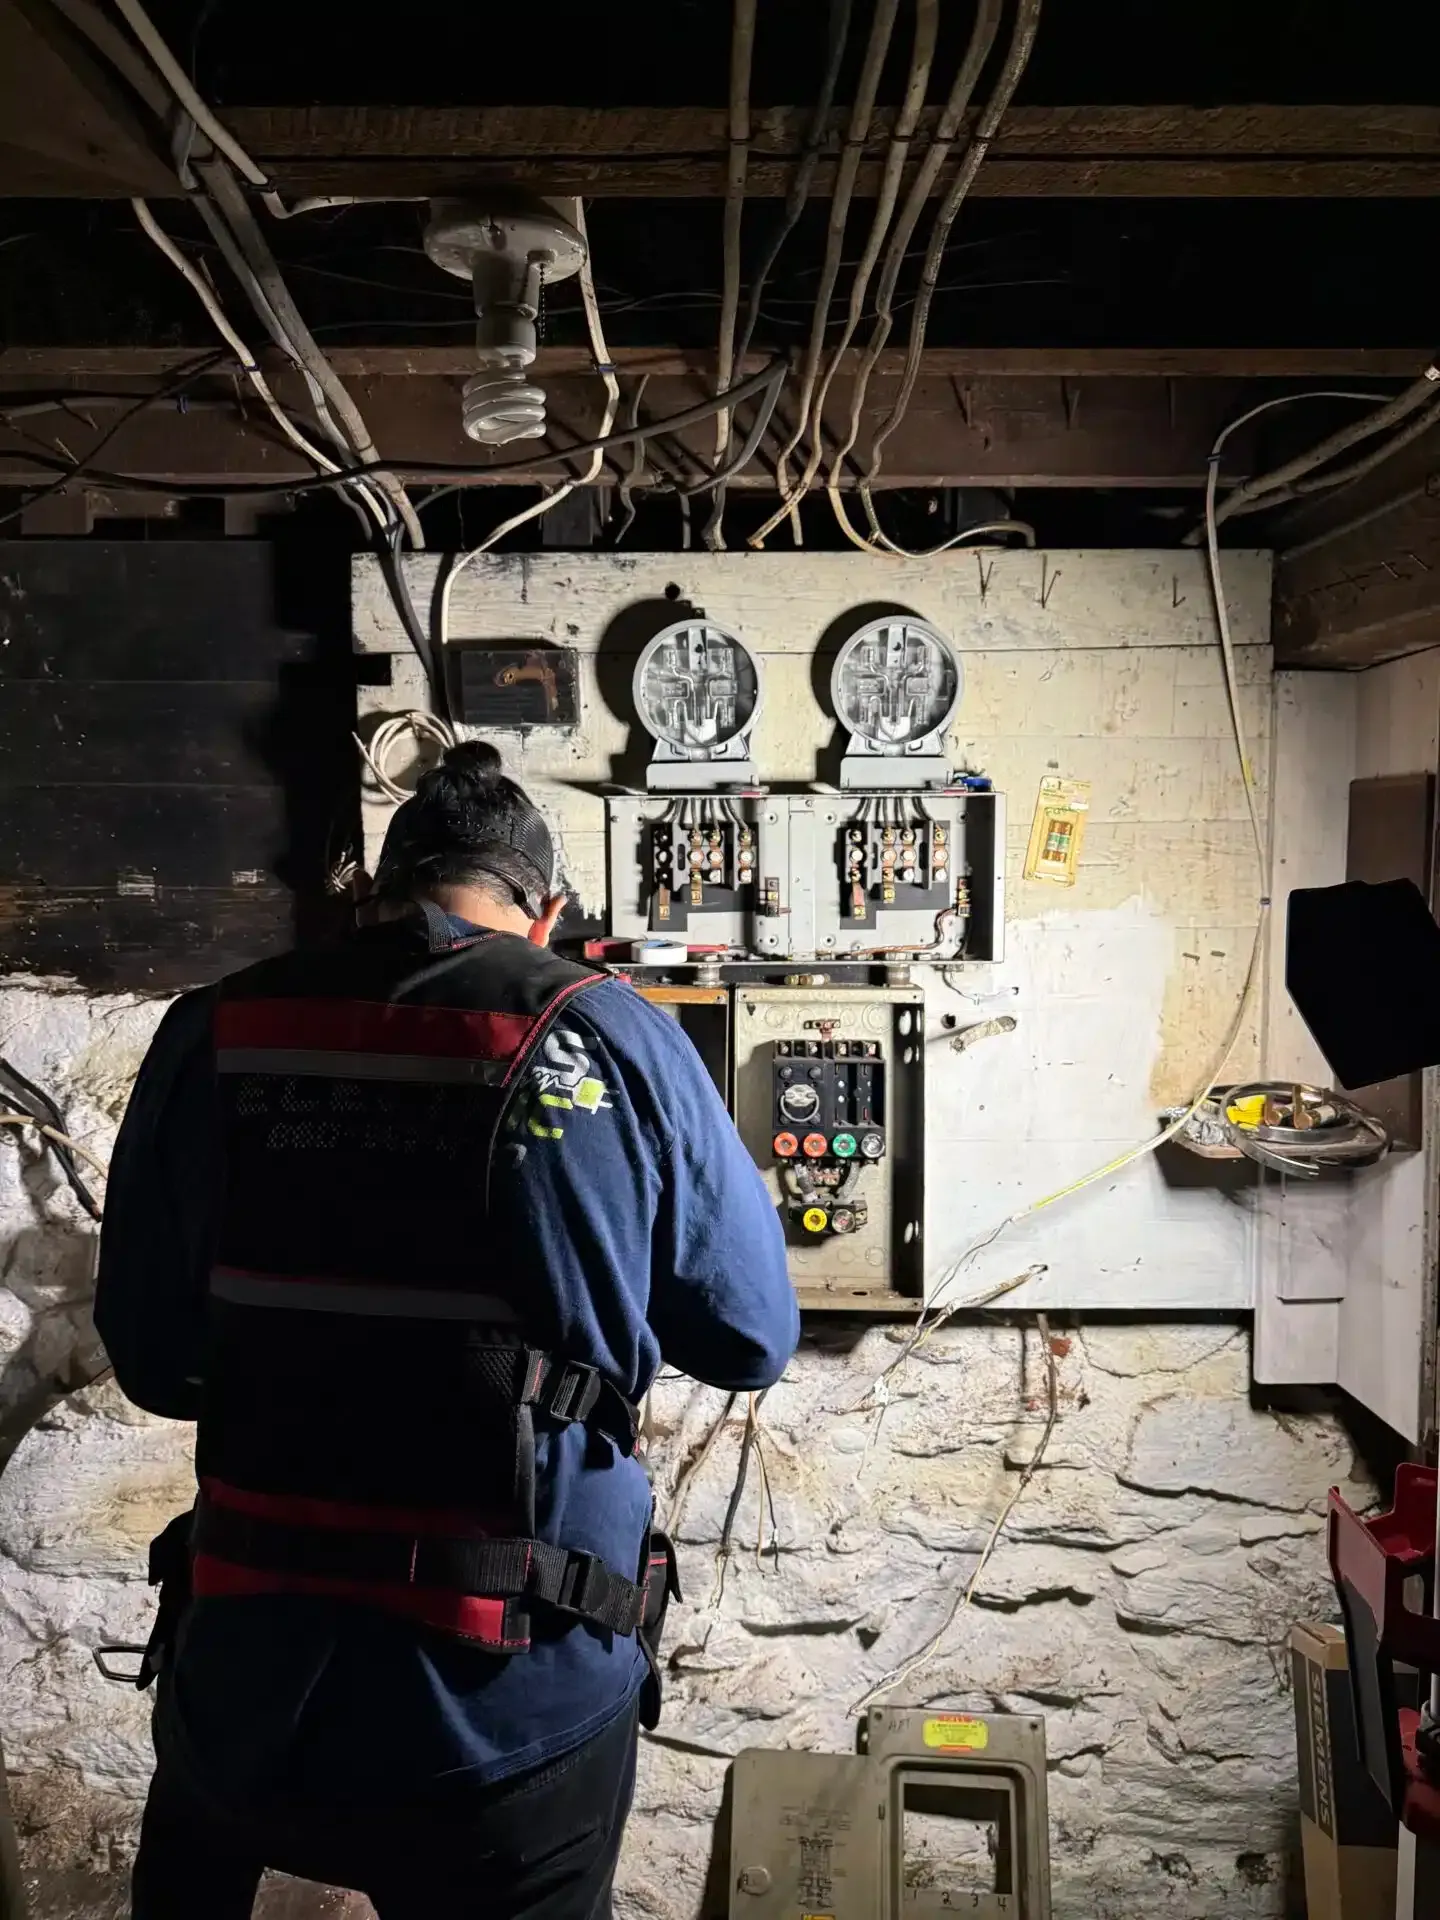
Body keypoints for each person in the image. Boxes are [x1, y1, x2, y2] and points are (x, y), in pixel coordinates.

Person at [94, 740, 798, 1920]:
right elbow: (746, 1337)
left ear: (374, 889)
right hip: (509, 1705)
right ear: (549, 912)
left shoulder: (220, 1028)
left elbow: (156, 1359)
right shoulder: (611, 1034)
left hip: (249, 1684)